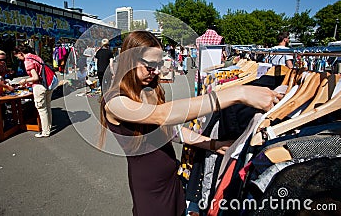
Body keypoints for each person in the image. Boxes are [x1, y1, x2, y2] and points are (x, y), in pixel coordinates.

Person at [99, 31, 280, 215]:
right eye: (149, 66)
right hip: (150, 192)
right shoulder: (114, 101)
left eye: (158, 65)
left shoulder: (147, 90)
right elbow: (162, 116)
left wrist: (212, 144)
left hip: (172, 182)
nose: (155, 72)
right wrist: (237, 94)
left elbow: (170, 131)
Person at [13, 45, 53, 138]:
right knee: (47, 107)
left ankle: (45, 131)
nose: (18, 59)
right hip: (47, 84)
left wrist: (25, 80)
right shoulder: (35, 57)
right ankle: (48, 127)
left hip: (39, 86)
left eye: (17, 56)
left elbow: (35, 77)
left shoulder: (27, 61)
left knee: (42, 109)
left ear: (20, 53)